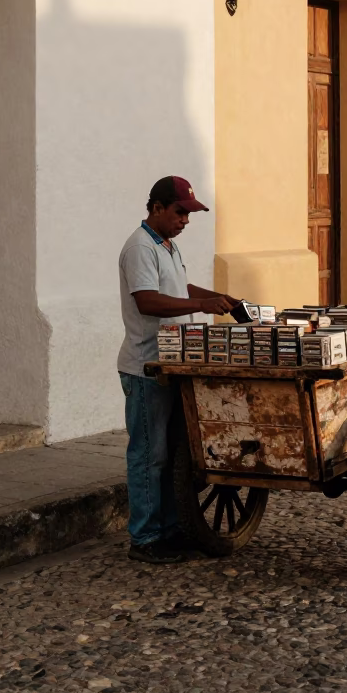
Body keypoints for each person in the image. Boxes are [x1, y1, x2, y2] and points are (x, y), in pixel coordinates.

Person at [118, 175, 241, 564]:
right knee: (148, 455)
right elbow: (149, 302)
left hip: (172, 366)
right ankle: (145, 537)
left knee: (171, 454)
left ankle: (170, 529)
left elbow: (180, 289)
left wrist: (221, 298)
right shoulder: (140, 247)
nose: (185, 220)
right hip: (145, 367)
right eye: (180, 212)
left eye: (189, 214)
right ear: (156, 208)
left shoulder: (166, 245)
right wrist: (202, 308)